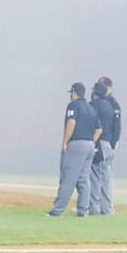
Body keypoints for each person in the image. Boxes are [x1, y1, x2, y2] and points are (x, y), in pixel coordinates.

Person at [46, 82, 101, 218]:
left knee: (68, 178)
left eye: (71, 92)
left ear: (74, 92)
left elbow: (71, 122)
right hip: (89, 145)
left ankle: (58, 210)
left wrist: (65, 141)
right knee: (83, 179)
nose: (70, 95)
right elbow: (99, 129)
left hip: (77, 143)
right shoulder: (90, 108)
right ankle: (83, 210)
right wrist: (91, 142)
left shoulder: (73, 105)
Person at [87, 81, 115, 214]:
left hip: (98, 142)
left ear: (95, 92)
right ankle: (107, 208)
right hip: (108, 143)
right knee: (106, 178)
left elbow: (94, 126)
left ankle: (94, 208)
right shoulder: (109, 106)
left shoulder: (93, 105)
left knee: (94, 176)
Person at [97, 76, 122, 213]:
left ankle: (105, 207)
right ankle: (103, 206)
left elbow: (117, 127)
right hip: (104, 143)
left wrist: (114, 145)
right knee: (102, 176)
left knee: (103, 176)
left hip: (105, 143)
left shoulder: (112, 104)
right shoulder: (106, 103)